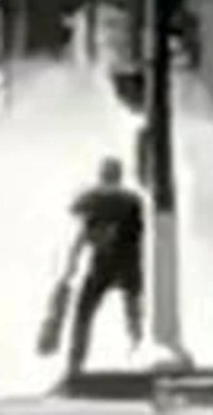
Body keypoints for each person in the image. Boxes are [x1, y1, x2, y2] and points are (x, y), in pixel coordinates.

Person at [61, 157, 145, 376]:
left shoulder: (93, 198)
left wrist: (72, 261)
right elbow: (138, 235)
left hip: (105, 263)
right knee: (132, 312)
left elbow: (82, 230)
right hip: (127, 262)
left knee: (84, 313)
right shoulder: (131, 200)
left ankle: (75, 362)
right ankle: (137, 350)